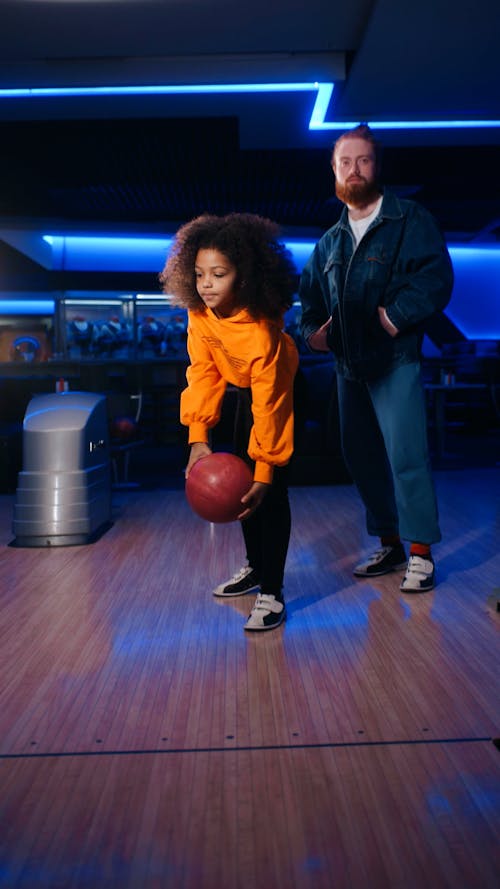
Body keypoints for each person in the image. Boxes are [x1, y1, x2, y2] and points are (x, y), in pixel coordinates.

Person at [299, 124, 454, 592]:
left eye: (363, 160)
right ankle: (389, 543)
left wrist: (393, 319)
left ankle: (421, 551)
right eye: (345, 161)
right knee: (360, 456)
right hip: (348, 366)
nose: (354, 169)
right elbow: (309, 303)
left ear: (376, 166)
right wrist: (314, 336)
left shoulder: (409, 219)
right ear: (333, 169)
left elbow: (436, 278)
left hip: (396, 357)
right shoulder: (329, 243)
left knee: (406, 454)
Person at [160, 213, 299, 630]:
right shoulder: (200, 315)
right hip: (241, 389)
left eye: (218, 274)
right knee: (240, 488)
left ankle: (272, 592)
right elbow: (202, 371)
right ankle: (255, 566)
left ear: (243, 277)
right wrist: (197, 437)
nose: (206, 284)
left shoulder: (261, 332)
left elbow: (270, 405)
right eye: (200, 274)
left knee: (267, 493)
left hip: (279, 392)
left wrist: (265, 469)